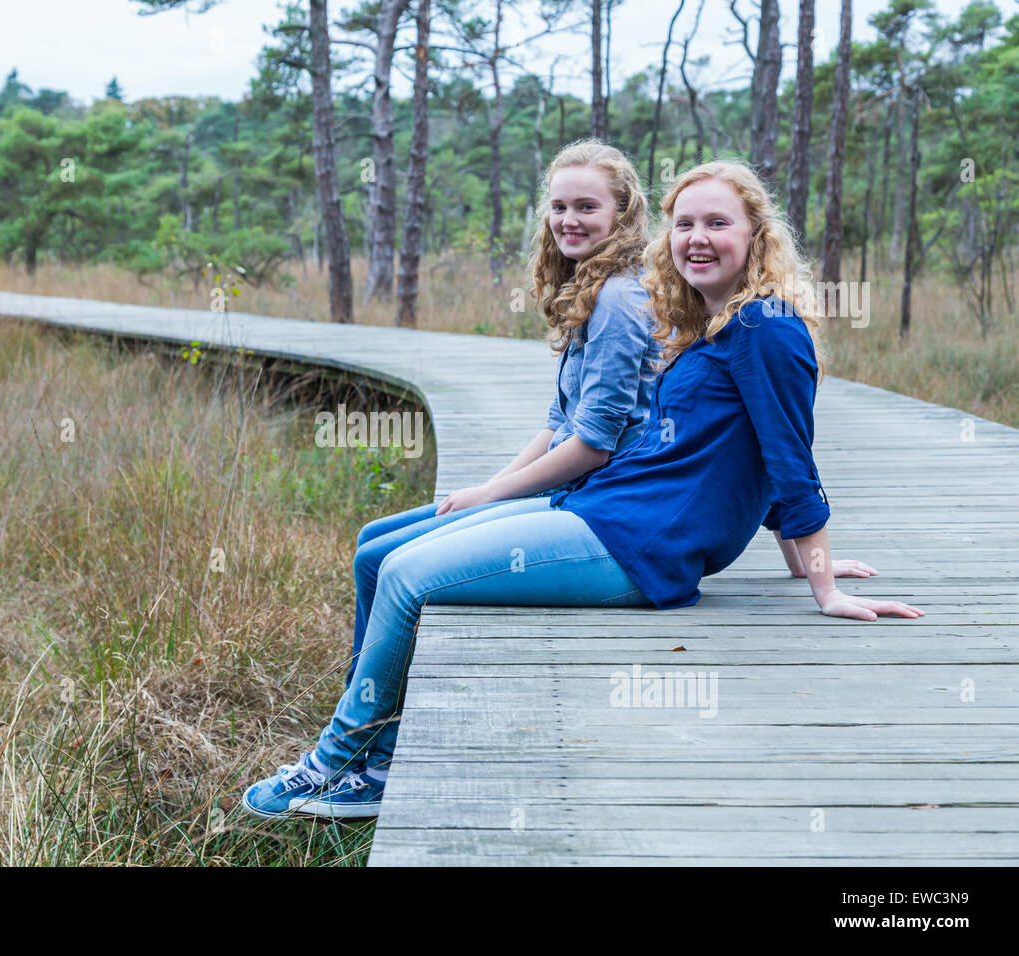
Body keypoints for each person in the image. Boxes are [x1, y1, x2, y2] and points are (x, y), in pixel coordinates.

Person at [242, 159, 920, 822]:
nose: (698, 238)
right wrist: (797, 556)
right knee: (386, 559)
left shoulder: (764, 328)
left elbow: (789, 456)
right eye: (685, 223)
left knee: (405, 575)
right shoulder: (714, 325)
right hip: (604, 509)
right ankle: (374, 762)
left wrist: (824, 585)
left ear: (756, 236)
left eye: (718, 222)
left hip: (639, 545)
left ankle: (334, 764)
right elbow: (752, 452)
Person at [345, 140, 660, 692]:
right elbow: (558, 422)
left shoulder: (617, 299)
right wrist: (491, 485)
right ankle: (361, 701)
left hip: (596, 497)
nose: (569, 220)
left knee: (384, 562)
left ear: (622, 213)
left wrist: (493, 497)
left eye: (587, 207)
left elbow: (593, 445)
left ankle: (366, 738)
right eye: (559, 207)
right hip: (571, 479)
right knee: (373, 542)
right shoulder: (588, 287)